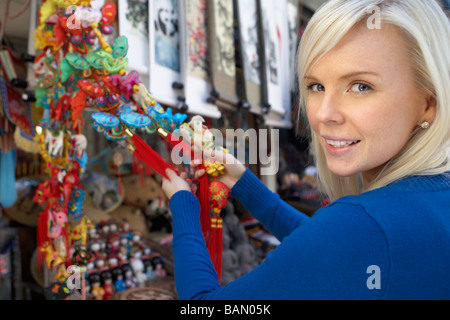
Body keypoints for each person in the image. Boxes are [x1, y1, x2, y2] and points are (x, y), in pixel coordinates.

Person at [162, 0, 450, 299]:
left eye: (361, 86)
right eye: (315, 86)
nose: (324, 114)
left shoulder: (360, 226)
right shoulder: (433, 198)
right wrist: (242, 184)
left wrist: (184, 206)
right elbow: (335, 249)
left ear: (428, 103)